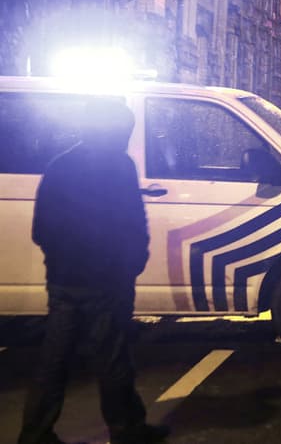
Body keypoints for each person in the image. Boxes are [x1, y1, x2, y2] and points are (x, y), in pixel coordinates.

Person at [18, 98, 169, 444]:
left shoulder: (60, 166)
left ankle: (35, 434)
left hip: (64, 280)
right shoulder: (119, 167)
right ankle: (127, 428)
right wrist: (131, 263)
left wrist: (62, 260)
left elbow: (41, 229)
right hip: (107, 280)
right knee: (113, 357)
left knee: (54, 360)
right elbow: (133, 221)